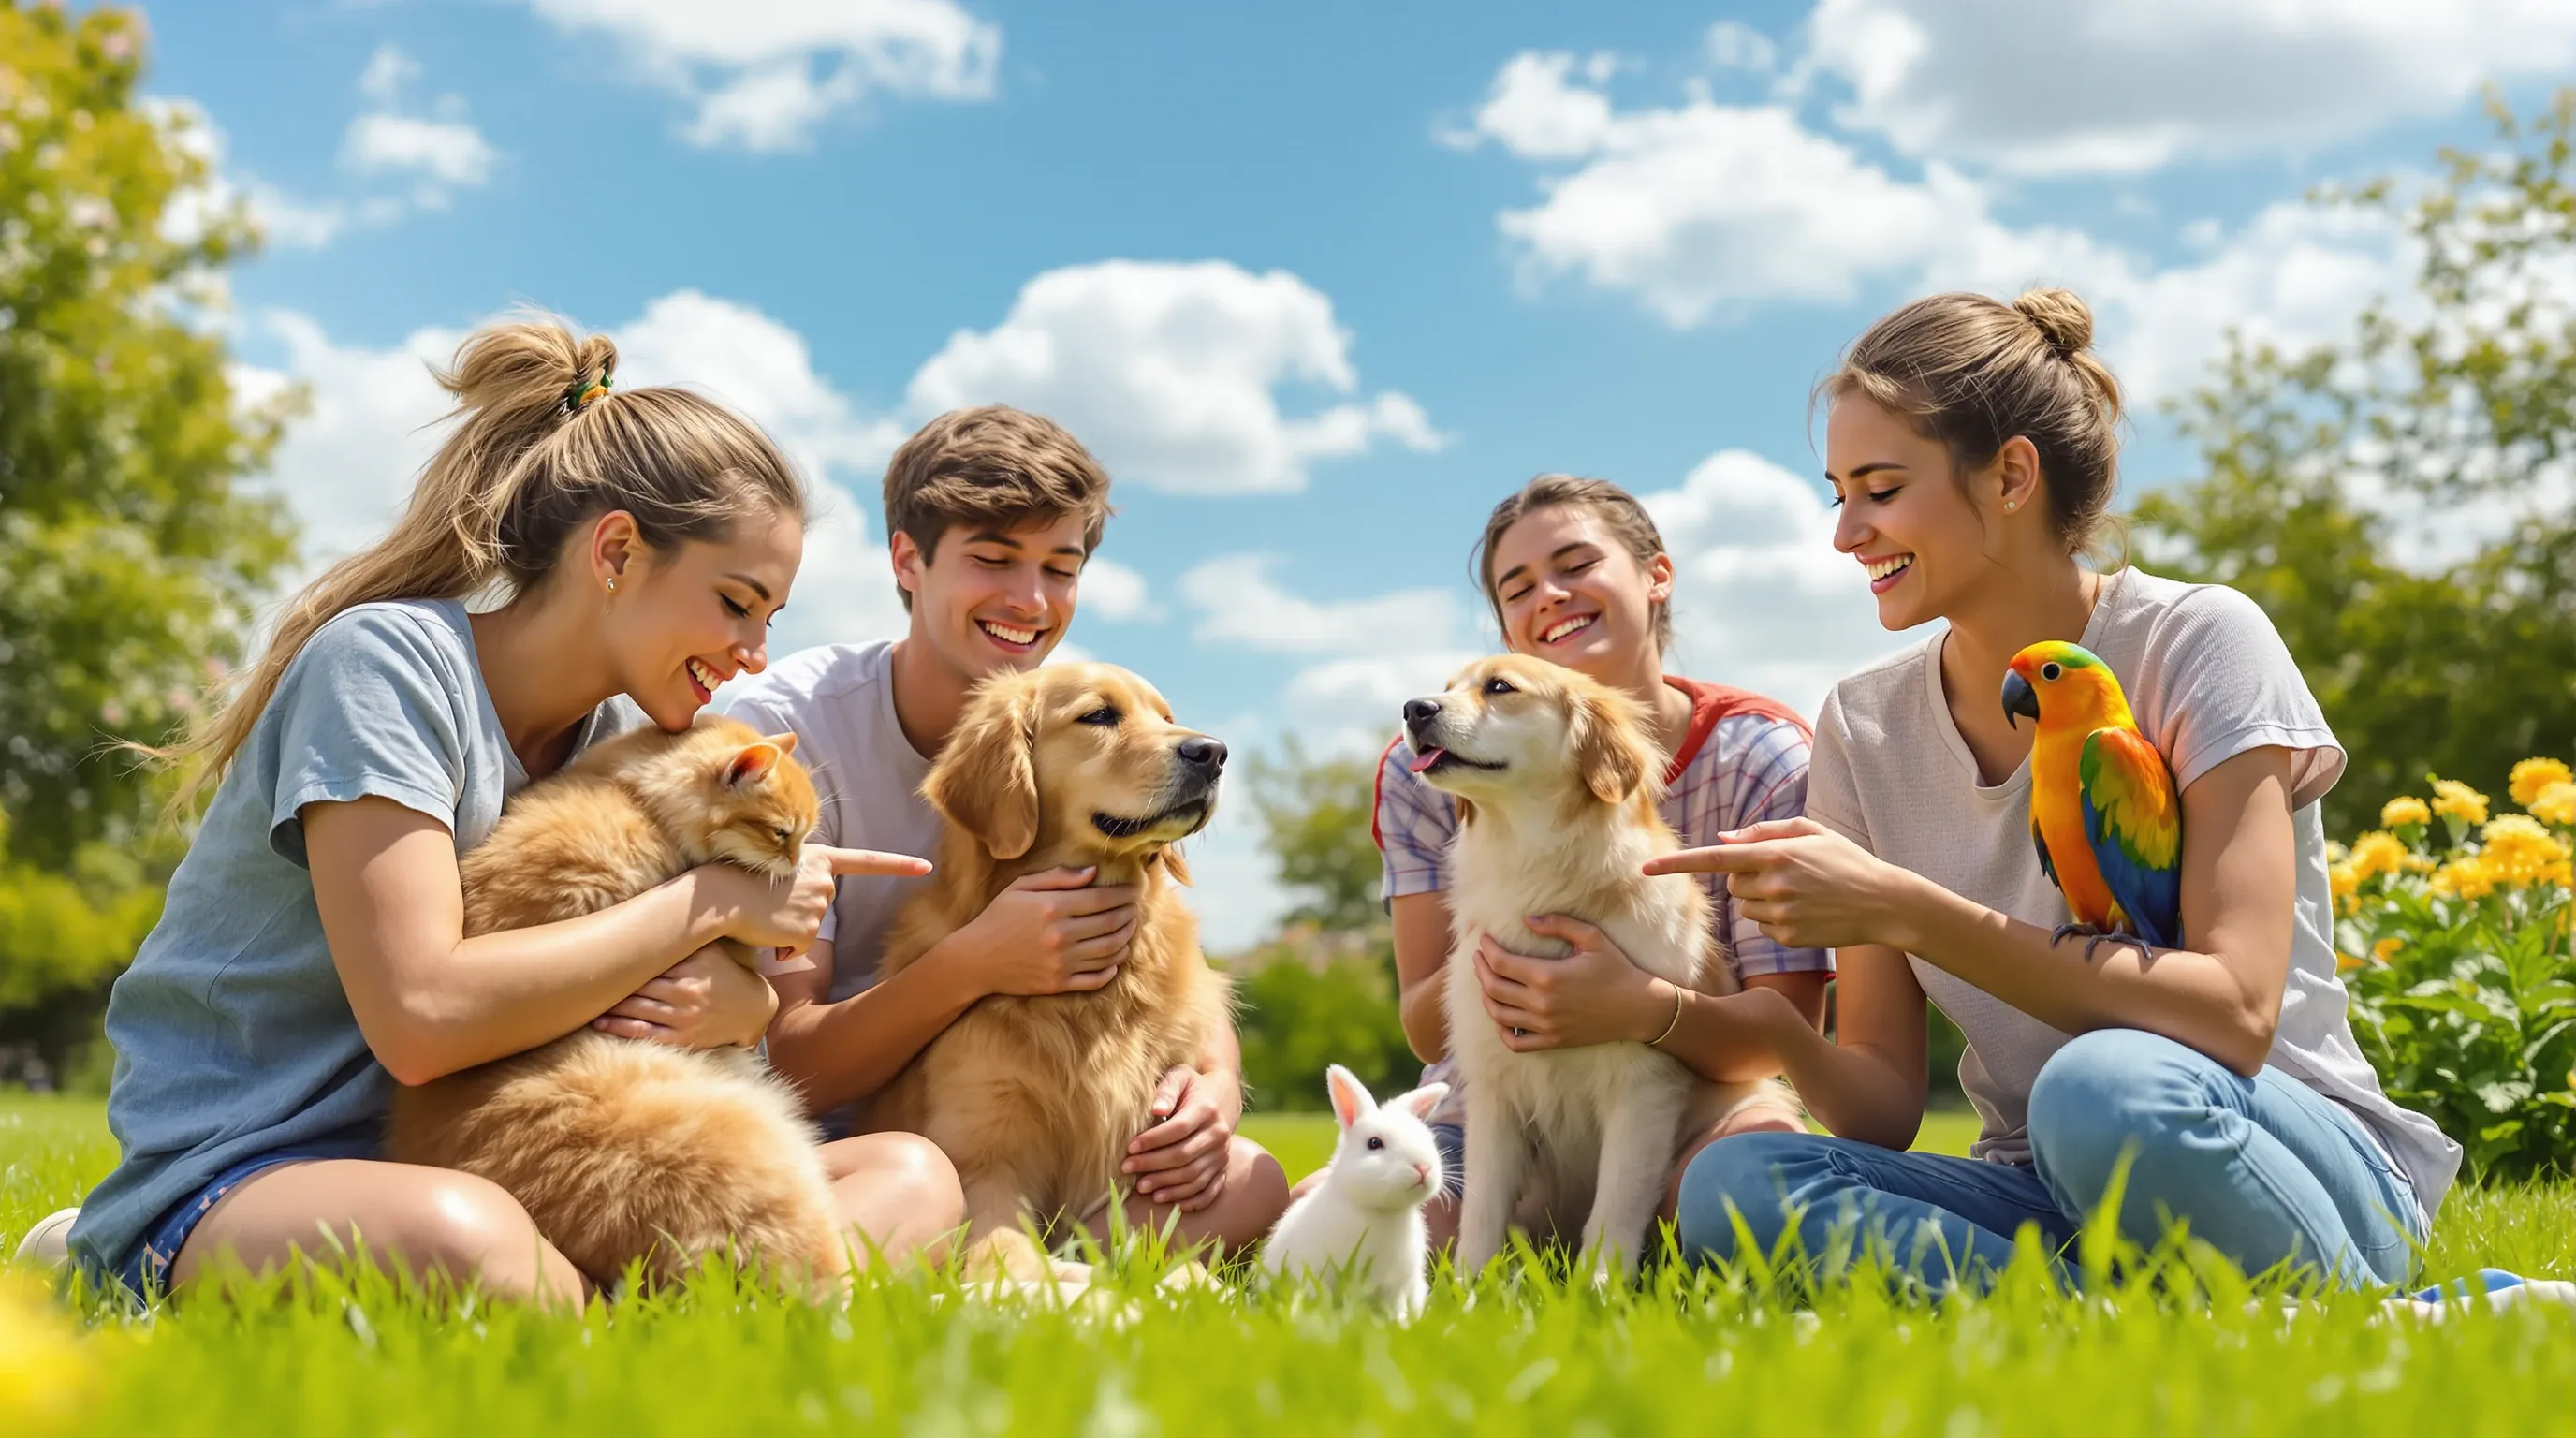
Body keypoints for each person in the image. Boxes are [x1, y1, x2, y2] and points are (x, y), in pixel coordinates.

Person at [55, 317, 959, 1305]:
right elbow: (423, 1018)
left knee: (910, 1176)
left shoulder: (620, 737)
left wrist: (736, 1001)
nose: (755, 654)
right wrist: (712, 904)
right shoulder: (386, 668)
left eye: (770, 619)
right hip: (259, 1168)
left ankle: (614, 1312)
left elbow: (684, 1001)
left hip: (512, 1161)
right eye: (737, 603)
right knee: (471, 1246)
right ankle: (107, 1257)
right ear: (617, 551)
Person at [1660, 289, 2460, 1288]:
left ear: (2010, 476)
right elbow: (1879, 1107)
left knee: (2096, 1089)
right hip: (2042, 1186)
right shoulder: (1863, 727)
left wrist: (1908, 911)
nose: (1846, 535)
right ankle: (2116, 1317)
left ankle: (2347, 1296)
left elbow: (2234, 1013)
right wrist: (1768, 1022)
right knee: (1736, 1185)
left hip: (2270, 1150)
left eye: (1881, 489)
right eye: (1839, 496)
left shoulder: (2196, 640)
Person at [723, 406, 1291, 1254]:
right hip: (855, 1146)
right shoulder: (786, 729)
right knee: (930, 1182)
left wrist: (1217, 1084)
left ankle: (1056, 1272)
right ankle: (1024, 1264)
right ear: (907, 561)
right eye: (992, 560)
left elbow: (1175, 954)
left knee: (1252, 1181)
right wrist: (976, 962)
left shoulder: (1072, 717)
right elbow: (789, 1063)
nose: (1030, 600)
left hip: (1062, 1145)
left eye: (1060, 569)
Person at [1368, 474, 1831, 1253]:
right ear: (1507, 624)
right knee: (1348, 1229)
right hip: (1492, 1108)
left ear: (1657, 576)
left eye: (1576, 564)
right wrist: (1505, 968)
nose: (1549, 596)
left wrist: (1638, 1007)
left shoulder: (1763, 753)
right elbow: (1426, 1030)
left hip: (1705, 1100)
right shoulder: (1435, 765)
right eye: (1518, 588)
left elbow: (1780, 1040)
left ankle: (1637, 1246)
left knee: (1741, 1192)